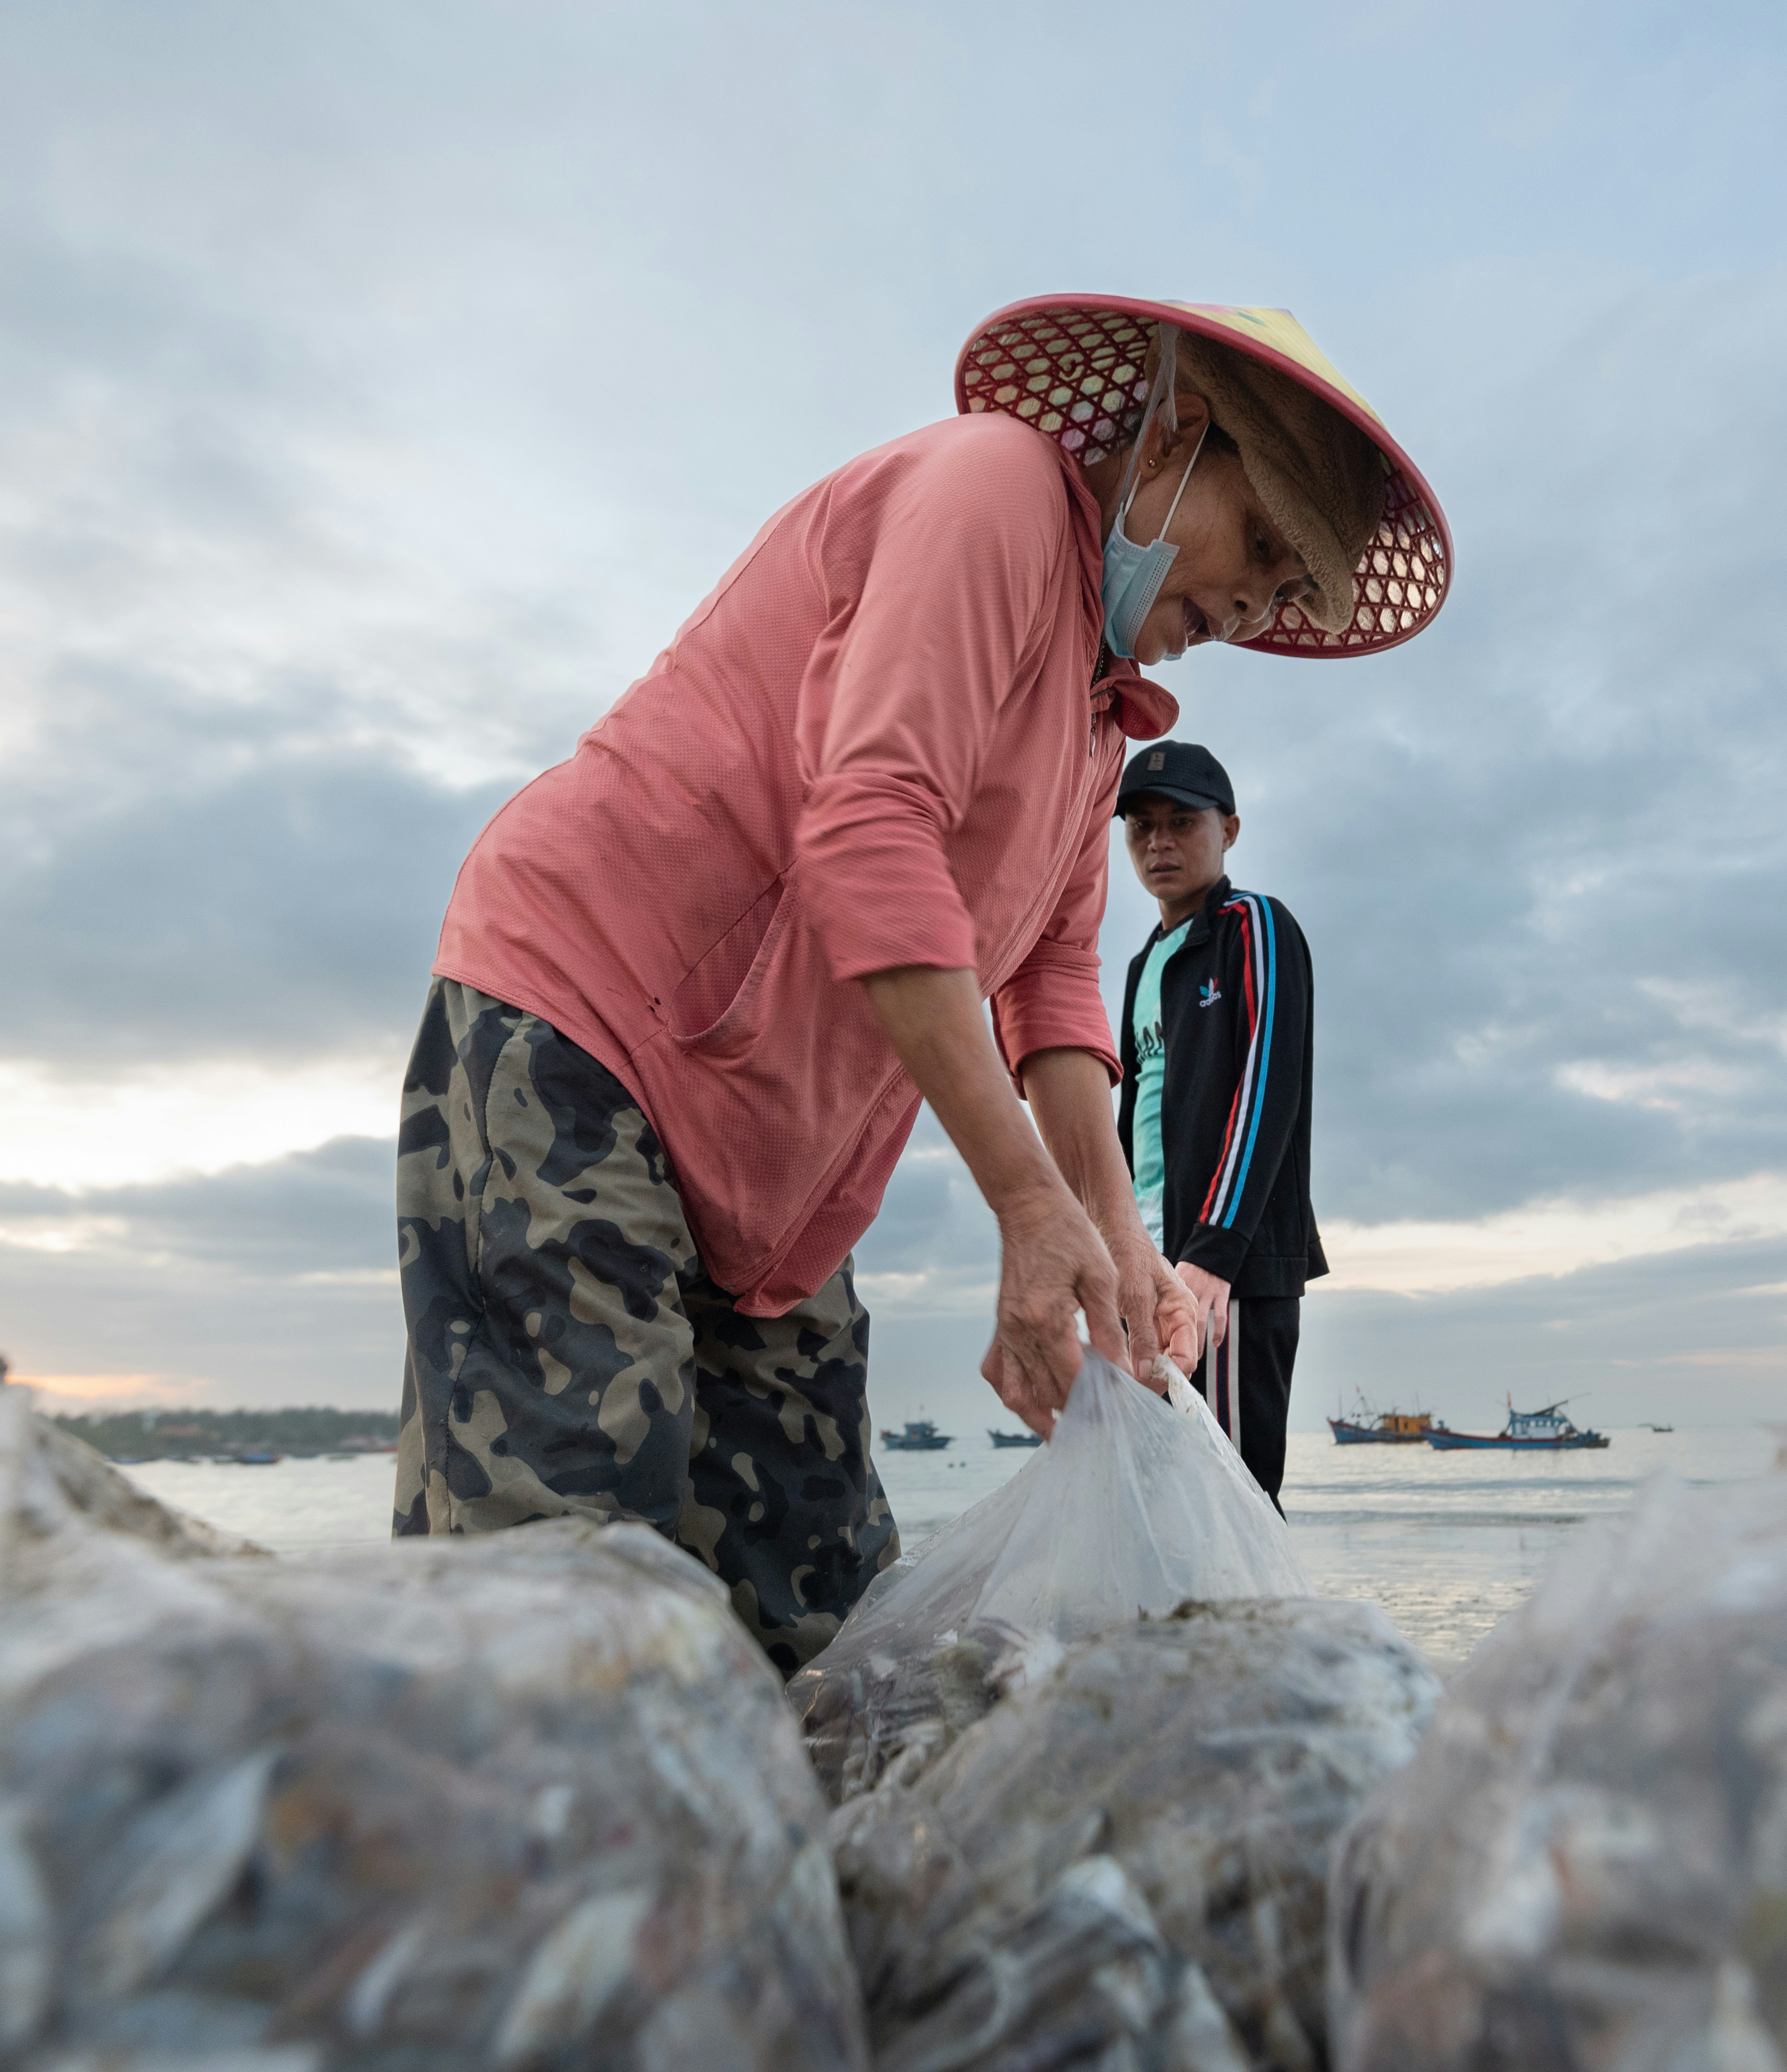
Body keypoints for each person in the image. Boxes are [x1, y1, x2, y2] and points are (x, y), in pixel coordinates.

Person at [390, 295, 1454, 1669]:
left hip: (773, 1182)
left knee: (821, 1616)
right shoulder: (993, 490)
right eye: (1256, 548)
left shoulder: (1095, 717)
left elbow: (1057, 993)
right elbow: (868, 825)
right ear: (1179, 435)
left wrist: (1114, 1244)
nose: (1248, 608)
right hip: (584, 1038)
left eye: (1278, 597)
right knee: (561, 1588)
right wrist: (1024, 1202)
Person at [1116, 741, 1321, 1505]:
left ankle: (1259, 1630)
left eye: (1181, 822)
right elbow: (1130, 1117)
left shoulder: (1253, 926)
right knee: (1156, 1500)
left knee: (1231, 1499)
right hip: (1150, 1260)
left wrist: (1214, 1257)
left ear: (1229, 830)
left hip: (1224, 1268)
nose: (1159, 843)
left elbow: (1270, 1084)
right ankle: (1178, 1633)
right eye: (1140, 827)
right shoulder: (1145, 966)